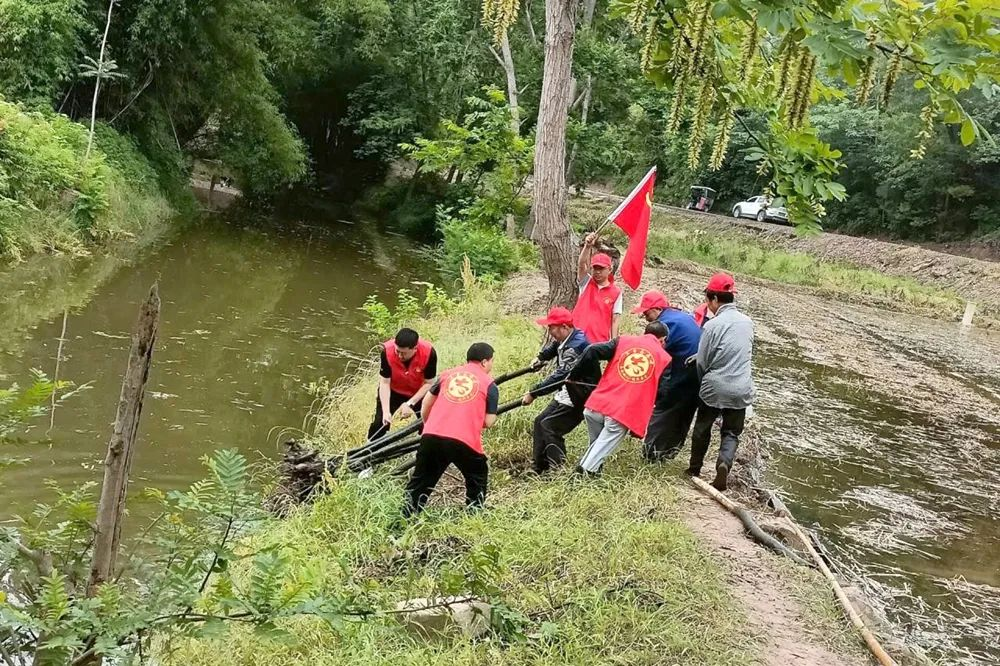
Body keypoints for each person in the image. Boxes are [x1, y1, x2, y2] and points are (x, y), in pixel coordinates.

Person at [403, 342, 500, 516]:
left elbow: (426, 404)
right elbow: (489, 421)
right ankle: (474, 515)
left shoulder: (446, 375)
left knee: (420, 481)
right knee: (477, 475)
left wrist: (429, 425)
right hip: (464, 440)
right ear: (485, 362)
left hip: (432, 434)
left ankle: (406, 517)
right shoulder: (489, 384)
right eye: (491, 361)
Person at [569, 321, 671, 475]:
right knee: (598, 452)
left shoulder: (622, 341)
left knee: (597, 447)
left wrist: (575, 375)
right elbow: (663, 391)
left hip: (597, 404)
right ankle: (581, 476)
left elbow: (592, 350)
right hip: (621, 412)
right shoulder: (664, 358)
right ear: (662, 340)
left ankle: (590, 473)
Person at [687, 273, 755, 491]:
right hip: (741, 387)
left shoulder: (712, 325)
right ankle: (724, 463)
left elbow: (702, 362)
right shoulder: (747, 323)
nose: (708, 305)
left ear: (715, 299)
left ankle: (694, 469)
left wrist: (703, 382)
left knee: (702, 428)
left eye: (708, 300)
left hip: (715, 386)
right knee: (731, 432)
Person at [522, 307, 598, 473]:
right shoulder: (570, 337)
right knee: (539, 421)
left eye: (552, 328)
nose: (550, 332)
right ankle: (539, 466)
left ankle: (558, 470)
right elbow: (555, 346)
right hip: (568, 391)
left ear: (564, 326)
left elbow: (560, 376)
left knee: (550, 426)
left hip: (581, 395)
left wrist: (534, 393)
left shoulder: (576, 347)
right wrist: (541, 357)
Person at [631, 291, 703, 461]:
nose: (645, 317)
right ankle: (670, 452)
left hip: (683, 371)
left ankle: (650, 454)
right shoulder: (681, 316)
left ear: (657, 309)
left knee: (663, 408)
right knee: (684, 412)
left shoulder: (665, 324)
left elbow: (651, 353)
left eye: (646, 313)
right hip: (699, 373)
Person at [367, 328, 437, 441]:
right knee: (379, 423)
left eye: (403, 353)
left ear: (415, 348)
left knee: (427, 422)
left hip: (418, 391)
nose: (399, 356)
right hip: (393, 390)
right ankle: (370, 447)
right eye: (397, 351)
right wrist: (386, 412)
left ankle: (423, 445)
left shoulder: (429, 353)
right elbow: (384, 382)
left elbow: (429, 383)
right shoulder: (387, 351)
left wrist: (409, 404)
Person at [571, 233, 622, 343]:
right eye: (595, 268)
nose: (597, 271)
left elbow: (615, 319)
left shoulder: (616, 292)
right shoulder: (586, 282)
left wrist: (613, 344)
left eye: (601, 268)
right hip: (576, 338)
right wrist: (587, 246)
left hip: (598, 342)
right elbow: (581, 264)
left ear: (609, 269)